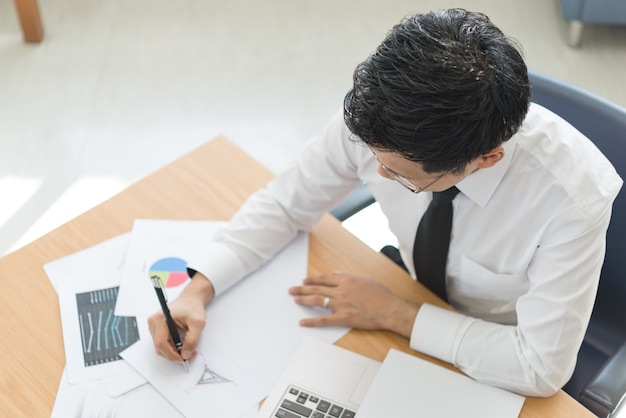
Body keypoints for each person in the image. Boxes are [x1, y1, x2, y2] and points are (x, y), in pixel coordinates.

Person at [148, 8, 622, 397]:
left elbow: (541, 367)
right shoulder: (380, 120)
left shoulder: (573, 197)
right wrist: (199, 286)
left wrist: (396, 314)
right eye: (374, 157)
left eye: (401, 175)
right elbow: (286, 204)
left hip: (496, 342)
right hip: (411, 296)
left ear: (486, 158)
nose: (377, 174)